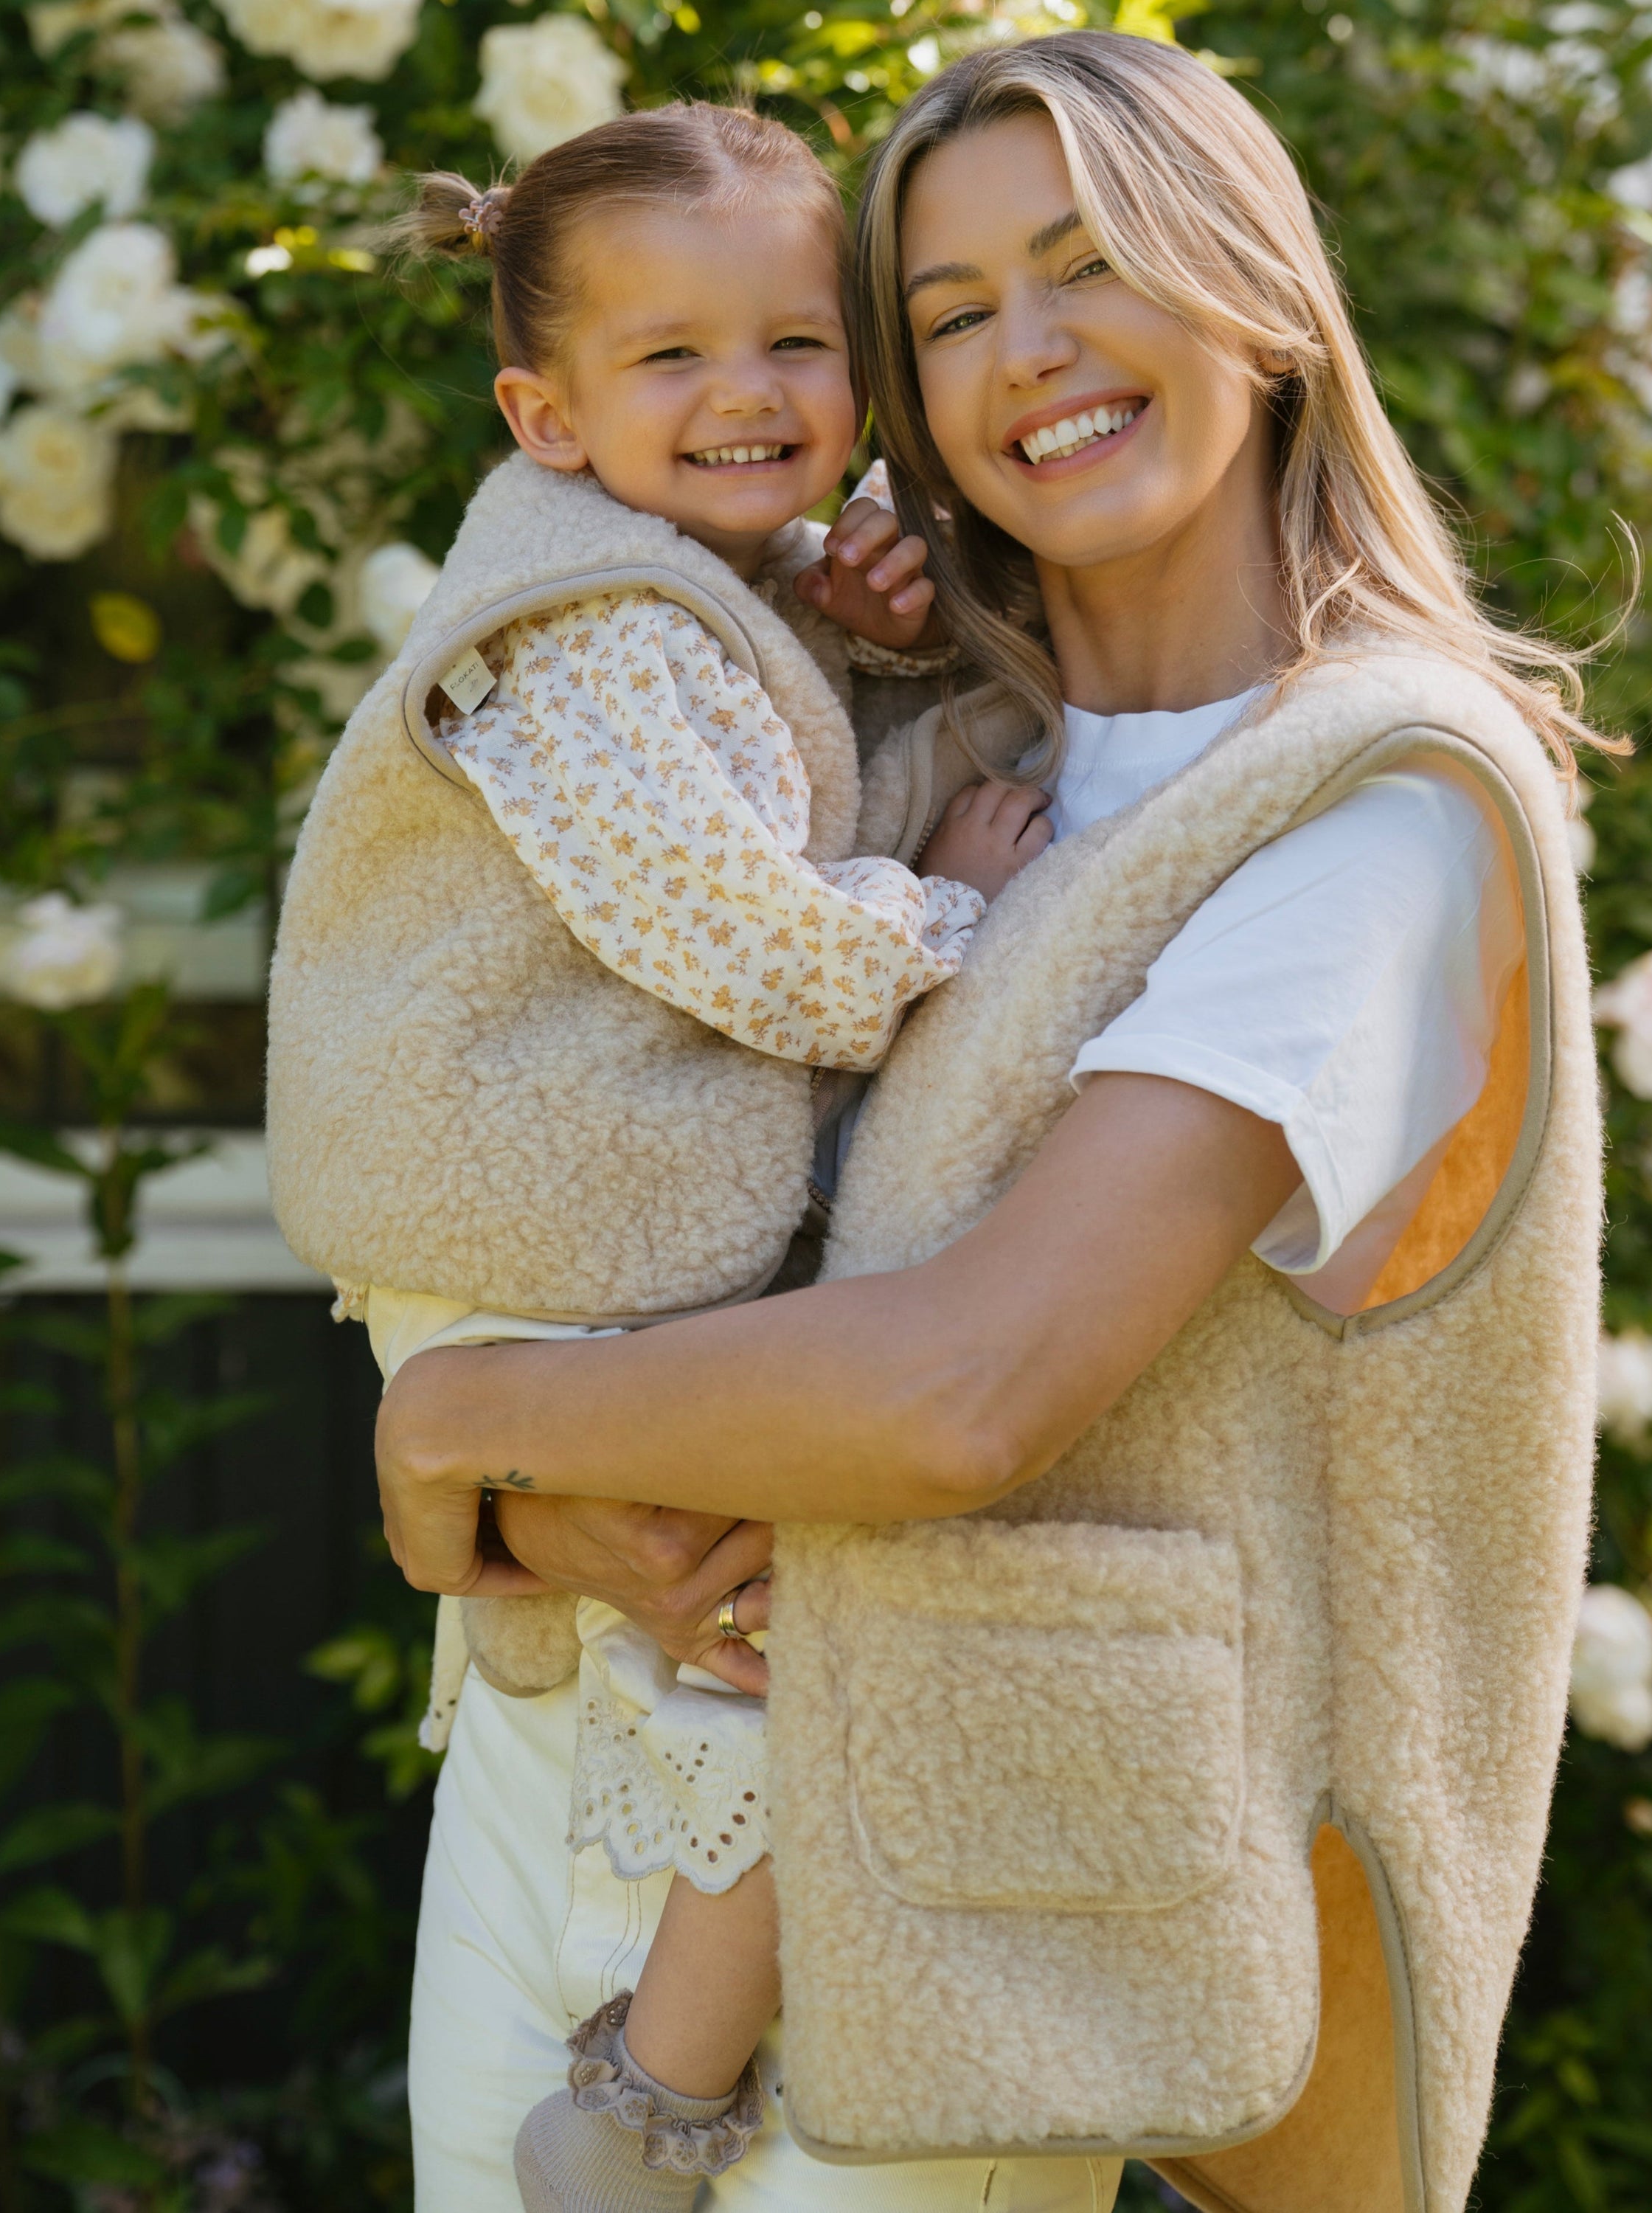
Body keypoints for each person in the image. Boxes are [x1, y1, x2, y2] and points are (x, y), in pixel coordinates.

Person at [375, 32, 1607, 2213]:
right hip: (566, 1777)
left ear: (1259, 297)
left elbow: (967, 1390)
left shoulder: (1374, 807)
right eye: (948, 316)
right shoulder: (900, 750)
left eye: (1092, 262)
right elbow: (617, 1166)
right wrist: (542, 1514)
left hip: (940, 1911)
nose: (1028, 350)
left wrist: (459, 1424)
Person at [271, 101, 1055, 2213]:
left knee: (729, 1615)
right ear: (548, 414)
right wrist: (966, 913)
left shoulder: (667, 581)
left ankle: (651, 2064)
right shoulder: (587, 629)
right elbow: (738, 925)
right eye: (673, 356)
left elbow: (746, 771)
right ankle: (654, 2094)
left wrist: (859, 620)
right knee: (807, 1613)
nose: (748, 394)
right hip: (528, 1211)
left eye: (797, 345)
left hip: (529, 1229)